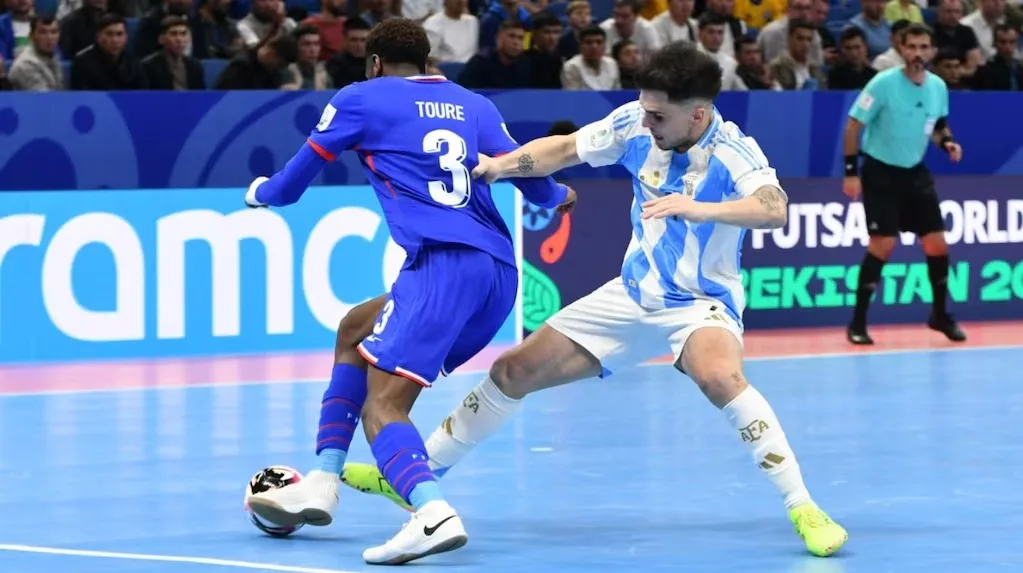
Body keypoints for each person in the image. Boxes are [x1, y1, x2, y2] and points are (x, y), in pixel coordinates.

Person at [342, 40, 850, 558]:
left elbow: (773, 209)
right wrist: (501, 166)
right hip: (630, 294)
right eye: (645, 109)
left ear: (697, 114)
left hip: (700, 302)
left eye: (659, 115)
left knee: (719, 376)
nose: (647, 122)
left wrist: (700, 209)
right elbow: (562, 149)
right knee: (512, 371)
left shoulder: (733, 150)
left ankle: (803, 506)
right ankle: (415, 472)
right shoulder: (634, 122)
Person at [242, 18, 576, 565]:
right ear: (425, 61)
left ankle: (430, 513)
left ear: (373, 63)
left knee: (384, 406)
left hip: (441, 266)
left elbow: (291, 183)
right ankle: (324, 481)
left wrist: (259, 193)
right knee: (355, 328)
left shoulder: (361, 98)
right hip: (496, 272)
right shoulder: (473, 104)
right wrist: (559, 193)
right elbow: (531, 177)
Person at [842, 22, 965, 345]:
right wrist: (851, 171)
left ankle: (939, 315)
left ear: (932, 51)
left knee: (937, 243)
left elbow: (937, 125)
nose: (917, 54)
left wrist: (947, 142)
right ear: (901, 48)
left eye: (924, 47)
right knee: (882, 244)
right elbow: (853, 127)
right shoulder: (883, 83)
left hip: (915, 172)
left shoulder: (938, 86)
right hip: (880, 172)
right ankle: (857, 322)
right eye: (912, 47)